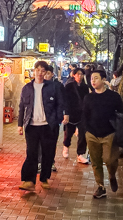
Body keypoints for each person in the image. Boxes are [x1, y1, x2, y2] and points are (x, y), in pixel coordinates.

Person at [16, 60, 64, 190]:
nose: (40, 73)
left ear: (47, 73)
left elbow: (60, 103)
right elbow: (21, 107)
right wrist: (20, 124)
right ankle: (29, 181)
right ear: (34, 71)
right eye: (38, 70)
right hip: (31, 126)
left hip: (48, 126)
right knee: (31, 153)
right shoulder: (27, 88)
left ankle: (44, 178)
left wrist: (58, 120)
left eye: (43, 71)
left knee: (48, 154)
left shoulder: (53, 87)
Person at [82, 68, 123, 199]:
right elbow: (84, 115)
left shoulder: (113, 97)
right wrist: (84, 130)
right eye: (91, 79)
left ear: (103, 80)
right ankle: (100, 186)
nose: (93, 81)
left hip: (109, 133)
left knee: (109, 160)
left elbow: (122, 113)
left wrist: (119, 127)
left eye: (96, 78)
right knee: (95, 161)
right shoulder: (88, 97)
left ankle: (112, 175)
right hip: (92, 133)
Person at [62, 68, 90, 164]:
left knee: (83, 133)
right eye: (78, 74)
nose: (80, 76)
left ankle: (80, 154)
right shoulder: (69, 86)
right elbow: (65, 100)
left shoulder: (85, 87)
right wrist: (66, 113)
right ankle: (66, 146)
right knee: (69, 132)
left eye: (81, 74)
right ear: (73, 75)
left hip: (82, 113)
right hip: (71, 112)